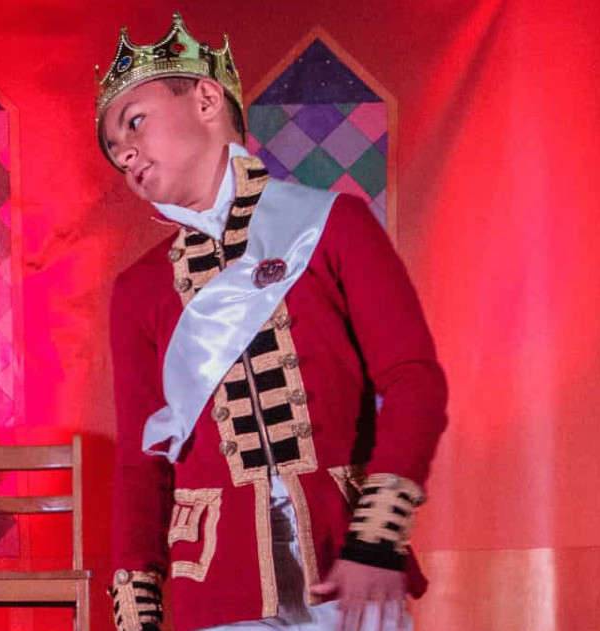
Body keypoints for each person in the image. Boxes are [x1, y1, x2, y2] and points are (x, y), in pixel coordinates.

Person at [98, 15, 449, 631]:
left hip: (347, 560)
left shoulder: (333, 223)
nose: (124, 154)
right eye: (113, 151)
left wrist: (378, 535)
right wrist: (137, 600)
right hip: (217, 578)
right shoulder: (138, 290)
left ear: (206, 99)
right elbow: (140, 461)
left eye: (134, 122)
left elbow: (414, 379)